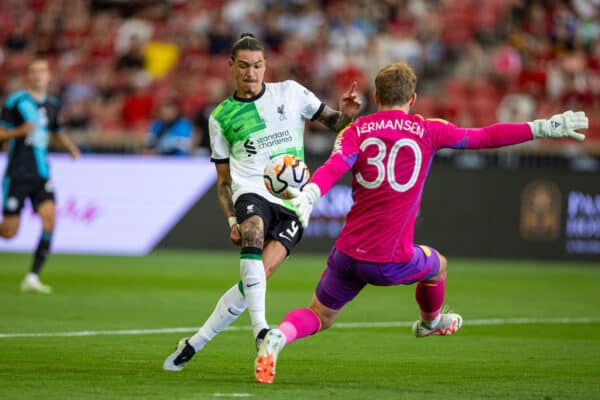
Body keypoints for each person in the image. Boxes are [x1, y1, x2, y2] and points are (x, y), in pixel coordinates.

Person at [253, 61, 588, 384]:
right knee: (438, 265)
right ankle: (430, 322)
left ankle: (279, 336)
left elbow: (334, 166)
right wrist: (542, 127)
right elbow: (485, 137)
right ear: (412, 99)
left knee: (320, 314)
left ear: (377, 97)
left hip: (348, 254)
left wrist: (310, 195)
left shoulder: (356, 130)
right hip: (388, 259)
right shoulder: (428, 129)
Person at [163, 32, 361, 371]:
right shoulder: (221, 118)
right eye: (243, 66)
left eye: (256, 66)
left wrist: (349, 115)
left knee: (258, 276)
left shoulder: (292, 92)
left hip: (294, 200)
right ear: (231, 67)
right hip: (251, 189)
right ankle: (260, 331)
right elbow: (224, 182)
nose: (251, 73)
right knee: (253, 234)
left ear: (265, 65)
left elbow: (338, 126)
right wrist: (231, 220)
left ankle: (195, 342)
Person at [0, 58, 81, 294]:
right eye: (34, 72)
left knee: (50, 219)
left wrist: (71, 148)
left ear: (48, 76)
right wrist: (18, 132)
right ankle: (32, 275)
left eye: (42, 72)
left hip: (42, 173)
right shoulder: (15, 102)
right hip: (17, 173)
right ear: (28, 76)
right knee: (9, 233)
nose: (38, 76)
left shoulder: (53, 104)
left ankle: (33, 276)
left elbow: (56, 131)